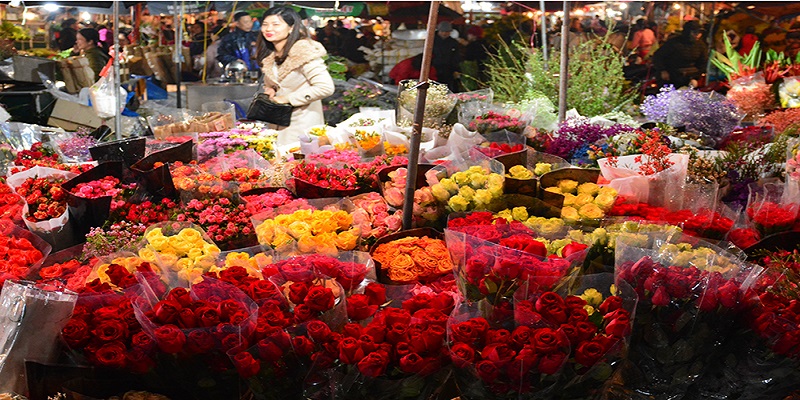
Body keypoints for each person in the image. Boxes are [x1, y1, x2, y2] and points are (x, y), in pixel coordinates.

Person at [255, 6, 335, 149]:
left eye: (276, 24)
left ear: (291, 28)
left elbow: (325, 87)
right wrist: (271, 89)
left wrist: (287, 98)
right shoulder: (271, 55)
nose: (268, 29)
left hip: (302, 122)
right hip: (277, 121)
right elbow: (277, 82)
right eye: (265, 24)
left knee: (299, 165)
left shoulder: (304, 52)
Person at [652, 20, 708, 88]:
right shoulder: (674, 43)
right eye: (695, 32)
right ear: (688, 32)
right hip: (671, 77)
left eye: (699, 33)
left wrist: (695, 77)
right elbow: (658, 56)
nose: (698, 35)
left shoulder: (701, 45)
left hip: (690, 78)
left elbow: (703, 63)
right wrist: (662, 70)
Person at [432, 21, 460, 92]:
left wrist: (456, 70)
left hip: (448, 69)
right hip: (434, 69)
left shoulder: (453, 43)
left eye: (447, 31)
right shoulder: (431, 41)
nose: (444, 33)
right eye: (442, 31)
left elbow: (456, 57)